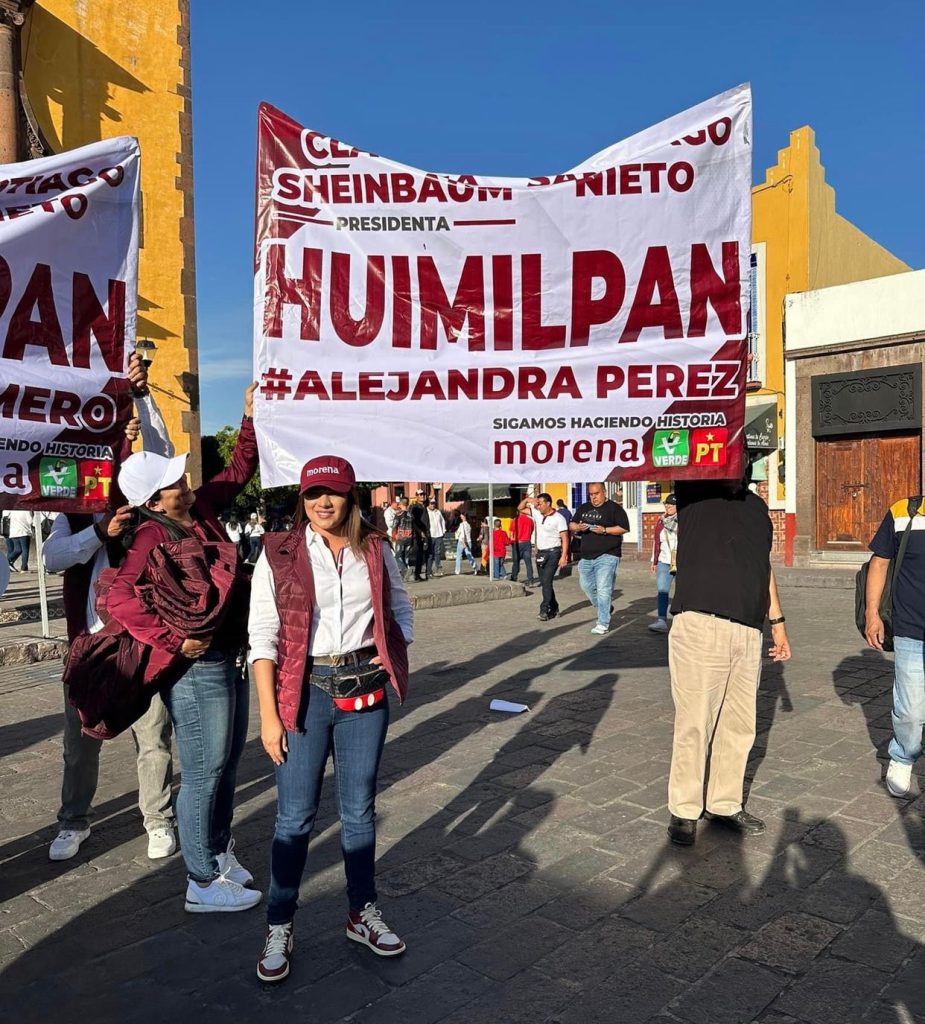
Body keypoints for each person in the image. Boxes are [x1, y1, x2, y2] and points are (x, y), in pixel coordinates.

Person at [249, 455, 413, 984]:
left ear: (352, 497)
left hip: (365, 686)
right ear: (301, 497)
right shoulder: (278, 553)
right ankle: (280, 923)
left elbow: (400, 609)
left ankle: (361, 912)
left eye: (334, 493)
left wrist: (389, 657)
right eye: (313, 492)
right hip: (304, 692)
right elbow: (263, 637)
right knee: (295, 817)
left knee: (359, 810)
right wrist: (269, 716)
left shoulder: (377, 550)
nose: (323, 502)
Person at [108, 383, 262, 913]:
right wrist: (175, 640)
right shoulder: (151, 535)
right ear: (154, 499)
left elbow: (240, 469)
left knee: (227, 764)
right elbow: (119, 597)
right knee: (202, 771)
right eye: (174, 482)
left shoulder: (199, 511)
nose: (185, 482)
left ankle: (218, 853)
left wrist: (247, 417)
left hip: (231, 655)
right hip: (197, 669)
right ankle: (199, 880)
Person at [43, 354, 178, 863]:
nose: (129, 426)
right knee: (79, 744)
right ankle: (74, 820)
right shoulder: (73, 493)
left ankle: (158, 819)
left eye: (130, 421)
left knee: (154, 738)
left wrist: (141, 393)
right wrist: (97, 533)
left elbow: (164, 451)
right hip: (89, 642)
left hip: (142, 637)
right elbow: (55, 557)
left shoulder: (147, 488)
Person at [666, 463, 792, 847]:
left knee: (739, 724)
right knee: (695, 722)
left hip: (749, 629)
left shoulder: (758, 509)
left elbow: (762, 566)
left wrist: (778, 622)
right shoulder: (694, 493)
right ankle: (684, 810)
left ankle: (724, 803)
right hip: (701, 621)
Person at [865, 494, 925, 798]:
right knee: (911, 710)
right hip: (912, 630)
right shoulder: (904, 512)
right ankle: (903, 754)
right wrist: (871, 613)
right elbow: (880, 561)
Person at [570, 483, 630, 635]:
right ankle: (606, 608)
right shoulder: (583, 508)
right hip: (586, 557)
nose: (594, 497)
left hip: (608, 555)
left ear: (604, 492)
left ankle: (602, 623)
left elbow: (624, 528)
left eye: (596, 493)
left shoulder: (614, 508)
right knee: (586, 586)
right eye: (591, 494)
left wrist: (605, 530)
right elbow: (571, 524)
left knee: (604, 589)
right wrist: (578, 527)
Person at [518, 494, 568, 621]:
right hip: (540, 554)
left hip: (553, 553)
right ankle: (555, 606)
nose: (538, 505)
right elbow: (520, 508)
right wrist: (528, 500)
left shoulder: (559, 518)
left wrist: (564, 556)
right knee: (546, 583)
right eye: (537, 503)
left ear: (548, 503)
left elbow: (565, 538)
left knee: (546, 582)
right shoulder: (537, 513)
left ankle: (544, 610)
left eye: (540, 503)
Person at [648, 494, 678, 634]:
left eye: (671, 505)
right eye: (666, 504)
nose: (668, 507)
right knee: (662, 590)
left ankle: (681, 620)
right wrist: (654, 561)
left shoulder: (684, 520)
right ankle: (661, 620)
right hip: (664, 560)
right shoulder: (661, 521)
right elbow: (657, 542)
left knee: (682, 592)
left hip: (681, 561)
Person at [508, 505, 535, 585]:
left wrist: (511, 542)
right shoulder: (530, 520)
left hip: (517, 543)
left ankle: (514, 577)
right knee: (528, 563)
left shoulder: (515, 520)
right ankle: (530, 580)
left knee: (516, 562)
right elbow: (532, 530)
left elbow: (511, 533)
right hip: (527, 543)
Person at [409, 491, 431, 582]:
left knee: (426, 553)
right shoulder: (415, 507)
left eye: (423, 494)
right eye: (420, 495)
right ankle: (416, 574)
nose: (422, 496)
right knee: (419, 554)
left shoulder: (424, 506)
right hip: (419, 534)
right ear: (417, 496)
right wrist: (419, 531)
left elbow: (432, 496)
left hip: (426, 532)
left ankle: (426, 573)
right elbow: (413, 522)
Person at [390, 497, 413, 580]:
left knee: (398, 556)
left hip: (401, 538)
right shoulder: (411, 515)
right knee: (406, 556)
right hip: (409, 538)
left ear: (401, 504)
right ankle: (404, 575)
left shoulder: (398, 514)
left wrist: (393, 537)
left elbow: (394, 526)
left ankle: (406, 569)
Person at [426, 498, 447, 577]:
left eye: (434, 503)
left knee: (437, 553)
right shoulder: (426, 512)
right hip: (430, 535)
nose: (433, 505)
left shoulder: (438, 512)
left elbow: (442, 521)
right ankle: (429, 571)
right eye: (431, 503)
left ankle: (438, 569)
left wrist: (443, 530)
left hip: (438, 535)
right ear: (428, 504)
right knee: (430, 554)